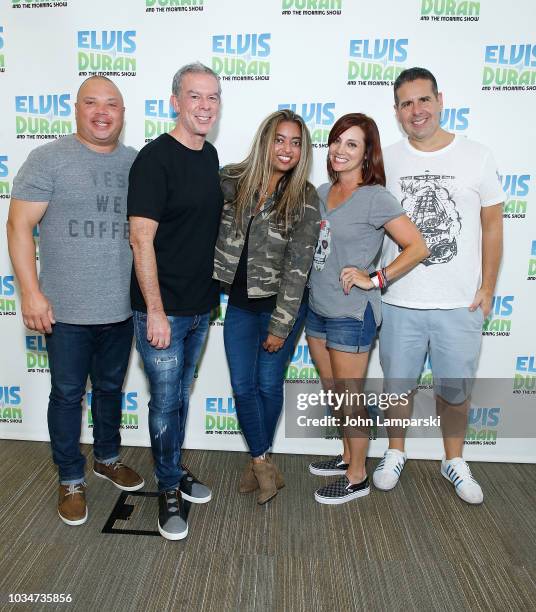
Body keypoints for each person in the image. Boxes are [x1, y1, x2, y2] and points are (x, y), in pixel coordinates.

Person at [7, 76, 143, 527]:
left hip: (121, 308)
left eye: (112, 105)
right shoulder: (47, 158)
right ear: (77, 109)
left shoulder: (137, 162)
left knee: (109, 390)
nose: (102, 112)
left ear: (123, 114)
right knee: (66, 395)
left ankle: (105, 457)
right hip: (63, 311)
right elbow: (18, 227)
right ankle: (70, 478)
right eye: (92, 103)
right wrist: (30, 292)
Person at [374, 67, 503, 504]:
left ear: (440, 100)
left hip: (458, 303)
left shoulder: (477, 156)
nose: (417, 111)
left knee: (455, 391)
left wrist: (488, 287)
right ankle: (395, 452)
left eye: (423, 100)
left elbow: (492, 227)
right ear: (396, 111)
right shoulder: (385, 160)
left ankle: (454, 460)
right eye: (406, 104)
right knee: (397, 387)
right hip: (399, 301)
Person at [306, 113, 428, 505]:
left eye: (352, 144)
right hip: (318, 308)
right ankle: (347, 456)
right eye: (337, 141)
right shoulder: (322, 192)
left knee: (349, 396)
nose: (341, 150)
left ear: (366, 154)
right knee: (335, 394)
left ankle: (358, 476)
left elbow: (418, 247)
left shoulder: (376, 197)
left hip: (352, 314)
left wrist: (375, 278)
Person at [128, 63, 223, 540]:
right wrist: (157, 311)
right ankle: (168, 486)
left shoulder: (210, 157)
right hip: (161, 312)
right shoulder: (154, 158)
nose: (205, 106)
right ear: (175, 102)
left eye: (213, 98)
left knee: (179, 399)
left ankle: (173, 467)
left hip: (201, 309)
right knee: (165, 403)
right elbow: (140, 240)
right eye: (195, 97)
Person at [214, 109, 320, 505]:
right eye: (280, 139)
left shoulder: (305, 197)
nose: (287, 149)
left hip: (283, 308)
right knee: (242, 386)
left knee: (267, 385)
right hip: (239, 304)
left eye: (295, 142)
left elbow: (299, 265)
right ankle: (263, 463)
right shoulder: (232, 180)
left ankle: (258, 460)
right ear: (265, 141)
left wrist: (281, 325)